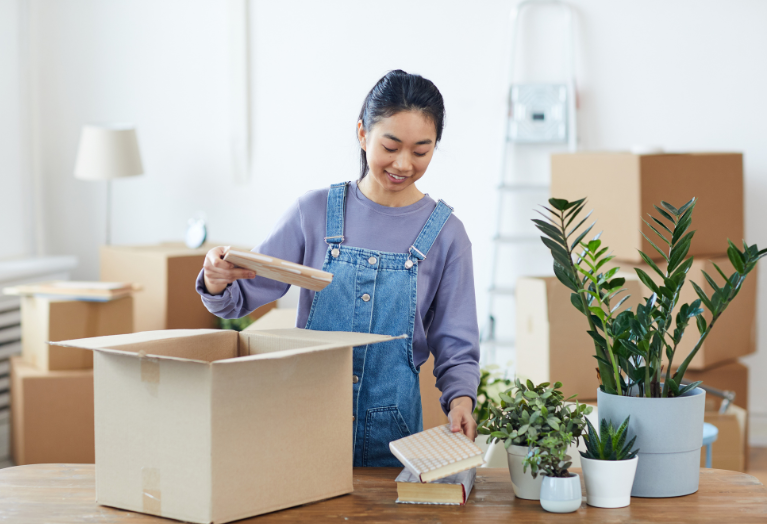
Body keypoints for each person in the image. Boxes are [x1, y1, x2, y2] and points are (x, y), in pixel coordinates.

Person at [197, 70, 480, 467]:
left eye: (421, 151)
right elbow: (238, 297)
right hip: (306, 419)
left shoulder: (447, 234)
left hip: (395, 433)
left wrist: (461, 399)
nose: (403, 163)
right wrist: (215, 280)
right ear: (363, 134)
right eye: (391, 145)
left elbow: (456, 341)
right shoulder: (313, 212)